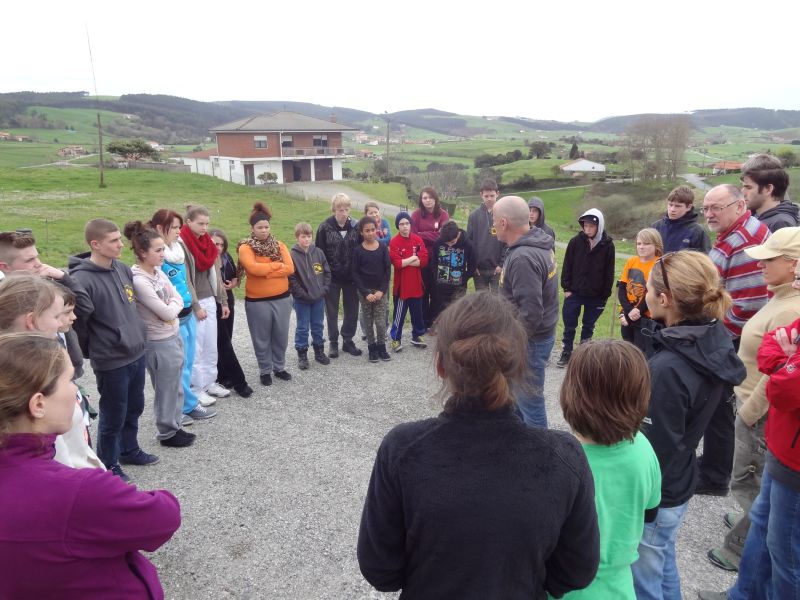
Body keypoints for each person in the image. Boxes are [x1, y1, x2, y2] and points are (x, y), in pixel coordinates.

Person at [357, 292, 600, 599]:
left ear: (441, 365)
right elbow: (575, 572)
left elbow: (380, 569)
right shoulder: (564, 458)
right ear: (518, 364)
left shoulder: (402, 449)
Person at [0, 332, 181, 599]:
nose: (76, 390)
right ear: (38, 404)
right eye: (69, 379)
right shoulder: (78, 491)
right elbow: (163, 517)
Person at [630, 250, 746, 600]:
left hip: (659, 494)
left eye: (649, 289)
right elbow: (723, 423)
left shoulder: (668, 369)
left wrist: (640, 501)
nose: (646, 295)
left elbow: (654, 447)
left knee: (644, 578)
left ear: (664, 299)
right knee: (662, 560)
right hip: (680, 481)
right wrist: (712, 473)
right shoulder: (713, 337)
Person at [699, 263, 800, 600]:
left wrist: (783, 364)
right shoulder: (786, 306)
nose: (760, 266)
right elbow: (769, 349)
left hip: (793, 458)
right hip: (783, 447)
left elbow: (783, 389)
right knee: (763, 521)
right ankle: (743, 593)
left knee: (787, 557)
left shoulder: (791, 306)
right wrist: (782, 361)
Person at [560, 340, 661, 600]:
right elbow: (650, 512)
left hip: (565, 589)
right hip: (619, 587)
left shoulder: (561, 462)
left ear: (571, 393)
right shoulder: (643, 447)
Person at [69, 218, 157, 481]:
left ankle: (129, 449)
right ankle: (108, 463)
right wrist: (100, 347)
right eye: (114, 241)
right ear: (95, 244)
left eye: (120, 238)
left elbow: (130, 306)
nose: (121, 244)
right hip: (111, 359)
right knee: (113, 414)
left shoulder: (121, 268)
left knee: (135, 406)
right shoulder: (81, 279)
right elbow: (80, 323)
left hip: (136, 352)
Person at [697, 184, 769, 497]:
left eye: (716, 207)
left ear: (739, 206)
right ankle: (716, 463)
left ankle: (714, 476)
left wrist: (714, 338)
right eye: (706, 208)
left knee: (719, 408)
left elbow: (747, 306)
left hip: (730, 340)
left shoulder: (742, 242)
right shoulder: (738, 232)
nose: (709, 214)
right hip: (729, 336)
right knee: (719, 407)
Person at [0, 273, 102, 470]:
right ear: (31, 321)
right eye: (57, 316)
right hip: (73, 484)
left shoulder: (28, 364)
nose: (60, 323)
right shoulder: (32, 378)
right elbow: (57, 457)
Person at [125, 222, 196, 449]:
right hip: (158, 341)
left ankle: (175, 424)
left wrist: (171, 309)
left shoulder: (157, 272)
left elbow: (177, 298)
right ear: (142, 253)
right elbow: (166, 310)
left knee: (176, 384)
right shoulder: (139, 280)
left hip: (172, 334)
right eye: (157, 250)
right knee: (165, 387)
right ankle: (167, 431)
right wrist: (172, 309)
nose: (162, 254)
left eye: (163, 249)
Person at [494, 195, 558, 428]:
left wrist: (512, 342)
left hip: (528, 342)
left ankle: (539, 453)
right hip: (537, 337)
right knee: (519, 399)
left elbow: (531, 313)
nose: (493, 226)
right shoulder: (537, 243)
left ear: (503, 223)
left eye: (494, 220)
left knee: (530, 402)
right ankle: (521, 442)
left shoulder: (523, 257)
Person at [149, 209, 217, 424]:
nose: (179, 231)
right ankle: (177, 409)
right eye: (175, 227)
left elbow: (187, 280)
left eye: (179, 227)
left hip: (187, 312)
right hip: (172, 317)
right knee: (175, 367)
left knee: (187, 362)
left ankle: (188, 403)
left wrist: (193, 303)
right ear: (160, 228)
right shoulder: (156, 255)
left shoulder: (178, 249)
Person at [238, 202, 295, 386]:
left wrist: (266, 271)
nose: (264, 230)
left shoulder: (279, 245)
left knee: (281, 335)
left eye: (266, 227)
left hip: (283, 299)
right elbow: (253, 269)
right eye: (259, 227)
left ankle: (279, 367)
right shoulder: (245, 247)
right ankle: (265, 370)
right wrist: (276, 266)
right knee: (261, 337)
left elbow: (290, 268)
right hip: (257, 302)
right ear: (252, 228)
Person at [179, 204, 231, 403]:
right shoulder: (183, 245)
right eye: (200, 223)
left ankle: (210, 382)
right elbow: (186, 280)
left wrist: (223, 300)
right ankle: (197, 387)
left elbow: (216, 274)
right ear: (188, 222)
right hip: (196, 301)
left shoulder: (208, 243)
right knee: (197, 347)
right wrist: (196, 306)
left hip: (210, 297)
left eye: (207, 224)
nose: (204, 227)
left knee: (211, 344)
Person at [557, 208, 615, 368]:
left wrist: (604, 295)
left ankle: (583, 355)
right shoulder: (575, 242)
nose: (587, 229)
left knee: (588, 326)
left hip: (596, 295)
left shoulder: (608, 245)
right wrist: (567, 288)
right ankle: (566, 352)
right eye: (585, 226)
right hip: (574, 292)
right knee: (569, 325)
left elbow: (609, 272)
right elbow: (567, 265)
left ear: (599, 226)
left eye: (591, 226)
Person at [315, 193, 362, 358]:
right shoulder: (324, 227)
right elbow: (317, 256)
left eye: (346, 209)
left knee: (352, 311)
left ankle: (348, 341)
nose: (343, 212)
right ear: (334, 209)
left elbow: (361, 251)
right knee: (332, 311)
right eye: (340, 209)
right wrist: (320, 277)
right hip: (331, 279)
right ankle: (333, 342)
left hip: (351, 278)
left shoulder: (357, 226)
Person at [209, 228, 253, 398]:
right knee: (223, 342)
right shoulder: (207, 260)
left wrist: (233, 284)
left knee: (226, 339)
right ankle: (239, 382)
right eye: (215, 244)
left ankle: (223, 375)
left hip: (229, 301)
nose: (218, 247)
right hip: (214, 303)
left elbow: (235, 277)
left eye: (221, 244)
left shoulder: (226, 257)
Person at [288, 222, 331, 370]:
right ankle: (302, 354)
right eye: (303, 237)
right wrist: (302, 294)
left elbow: (326, 272)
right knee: (302, 327)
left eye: (309, 236)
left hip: (318, 298)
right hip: (302, 300)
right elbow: (291, 279)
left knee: (318, 325)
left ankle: (319, 351)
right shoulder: (292, 255)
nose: (306, 240)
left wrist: (324, 289)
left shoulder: (318, 252)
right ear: (297, 237)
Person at [352, 216, 391, 363]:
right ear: (361, 232)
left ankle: (381, 346)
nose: (370, 233)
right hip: (365, 293)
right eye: (367, 230)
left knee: (381, 322)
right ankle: (372, 347)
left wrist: (381, 290)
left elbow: (388, 270)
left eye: (373, 230)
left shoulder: (382, 248)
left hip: (381, 292)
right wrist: (365, 292)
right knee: (368, 322)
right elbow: (355, 273)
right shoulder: (357, 251)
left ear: (377, 230)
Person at [389, 211, 429, 352]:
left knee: (417, 314)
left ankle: (417, 336)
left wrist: (407, 260)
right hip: (402, 288)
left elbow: (424, 260)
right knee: (399, 316)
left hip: (416, 286)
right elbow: (397, 263)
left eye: (407, 223)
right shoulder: (394, 242)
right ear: (397, 226)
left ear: (411, 225)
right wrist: (413, 258)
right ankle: (395, 338)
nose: (405, 226)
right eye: (401, 224)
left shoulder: (417, 240)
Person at [617, 228, 663, 350]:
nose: (641, 247)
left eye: (646, 244)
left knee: (642, 351)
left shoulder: (659, 264)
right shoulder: (632, 261)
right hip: (627, 314)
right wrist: (626, 312)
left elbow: (654, 293)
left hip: (645, 317)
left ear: (656, 245)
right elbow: (622, 288)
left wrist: (636, 312)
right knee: (627, 349)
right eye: (639, 243)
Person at [411, 186, 449, 326]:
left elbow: (444, 235)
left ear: (435, 198)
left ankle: (435, 319)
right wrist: (433, 234)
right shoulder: (415, 215)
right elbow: (413, 236)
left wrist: (422, 234)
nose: (428, 201)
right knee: (423, 289)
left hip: (439, 258)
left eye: (430, 197)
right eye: (425, 198)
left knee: (437, 290)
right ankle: (424, 320)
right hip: (421, 258)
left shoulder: (443, 214)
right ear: (421, 200)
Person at [741, 153, 799, 232]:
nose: (742, 192)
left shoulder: (780, 225)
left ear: (768, 189)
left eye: (748, 187)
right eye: (743, 186)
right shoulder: (753, 214)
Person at [466, 178, 503, 292]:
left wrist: (501, 264)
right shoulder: (474, 216)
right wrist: (473, 265)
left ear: (497, 194)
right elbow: (469, 243)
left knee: (499, 302)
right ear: (481, 195)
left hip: (497, 269)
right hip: (479, 270)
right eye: (486, 196)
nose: (489, 199)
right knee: (482, 304)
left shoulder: (504, 215)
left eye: (492, 195)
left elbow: (508, 242)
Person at [651, 185, 711, 253]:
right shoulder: (655, 227)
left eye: (678, 206)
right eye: (670, 205)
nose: (672, 209)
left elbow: (705, 260)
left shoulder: (698, 232)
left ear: (689, 207)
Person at [433, 220, 472, 314]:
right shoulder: (438, 242)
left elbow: (472, 264)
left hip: (459, 287)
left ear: (458, 234)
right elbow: (434, 262)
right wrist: (436, 276)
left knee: (457, 313)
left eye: (452, 242)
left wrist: (464, 278)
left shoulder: (468, 244)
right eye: (447, 243)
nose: (449, 245)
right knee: (441, 313)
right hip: (441, 286)